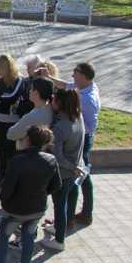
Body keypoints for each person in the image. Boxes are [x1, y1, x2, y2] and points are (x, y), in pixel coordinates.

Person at [0, 126, 61, 263]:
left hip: (15, 210)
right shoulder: (51, 160)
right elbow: (56, 185)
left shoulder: (18, 160)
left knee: (4, 236)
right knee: (29, 237)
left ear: (28, 140)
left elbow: (8, 187)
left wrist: (4, 202)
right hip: (37, 209)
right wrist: (43, 194)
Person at [42, 62, 101, 226]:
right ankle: (80, 214)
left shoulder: (85, 98)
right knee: (82, 173)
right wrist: (49, 77)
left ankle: (68, 218)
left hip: (81, 137)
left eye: (75, 72)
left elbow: (81, 122)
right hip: (80, 134)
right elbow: (64, 84)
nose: (73, 75)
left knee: (75, 174)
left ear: (83, 76)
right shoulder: (86, 87)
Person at [40, 89, 85, 251]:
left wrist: (73, 168)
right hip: (73, 169)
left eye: (54, 100)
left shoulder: (60, 127)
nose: (51, 102)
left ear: (60, 103)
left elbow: (58, 157)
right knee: (63, 203)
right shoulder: (79, 118)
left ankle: (59, 241)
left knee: (59, 205)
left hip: (64, 172)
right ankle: (59, 228)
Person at [0, 54, 24, 183]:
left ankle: (10, 176)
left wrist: (1, 99)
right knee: (1, 148)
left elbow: (12, 97)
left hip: (12, 121)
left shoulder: (19, 80)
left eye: (0, 68)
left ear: (7, 67)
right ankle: (1, 173)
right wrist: (2, 99)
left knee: (11, 150)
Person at [6, 77, 54, 149]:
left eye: (31, 88)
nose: (29, 91)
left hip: (30, 155)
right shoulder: (50, 109)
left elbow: (10, 134)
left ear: (36, 93)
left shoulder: (32, 116)